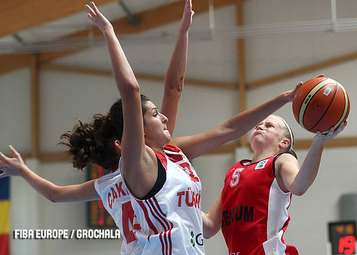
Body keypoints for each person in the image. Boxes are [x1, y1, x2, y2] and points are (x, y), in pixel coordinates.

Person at [1, 1, 302, 254]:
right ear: (135, 135)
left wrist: (183, 32)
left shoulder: (167, 155)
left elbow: (180, 93)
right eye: (156, 115)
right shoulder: (138, 165)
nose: (166, 118)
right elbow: (131, 90)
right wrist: (109, 32)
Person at [0, 1, 194, 255]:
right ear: (125, 141)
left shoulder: (107, 185)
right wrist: (182, 33)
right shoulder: (144, 162)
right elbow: (166, 90)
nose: (163, 119)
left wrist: (24, 172)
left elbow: (55, 194)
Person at [202, 115, 347, 255]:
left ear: (284, 143)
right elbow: (209, 226)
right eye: (258, 125)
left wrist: (318, 143)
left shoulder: (281, 160)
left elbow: (299, 186)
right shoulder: (234, 171)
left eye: (269, 125)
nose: (260, 126)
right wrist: (182, 199)